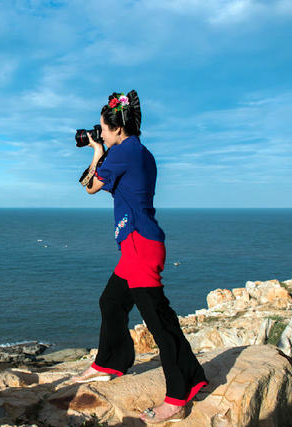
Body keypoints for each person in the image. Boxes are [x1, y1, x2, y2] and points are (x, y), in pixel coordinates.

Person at [70, 90, 209, 424]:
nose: (99, 132)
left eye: (103, 128)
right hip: (139, 244)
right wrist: (102, 149)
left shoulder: (123, 152)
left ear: (117, 129)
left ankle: (178, 395)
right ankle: (110, 362)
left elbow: (89, 186)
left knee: (160, 324)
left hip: (139, 247)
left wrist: (96, 151)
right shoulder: (141, 152)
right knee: (111, 302)